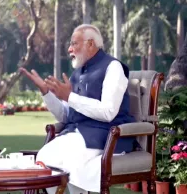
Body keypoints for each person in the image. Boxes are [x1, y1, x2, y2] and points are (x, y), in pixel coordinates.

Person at [20, 24, 137, 194]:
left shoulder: (113, 68)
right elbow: (66, 115)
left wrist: (69, 97)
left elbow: (108, 112)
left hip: (105, 135)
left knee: (73, 162)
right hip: (77, 134)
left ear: (90, 44)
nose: (69, 49)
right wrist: (46, 93)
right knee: (44, 156)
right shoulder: (78, 72)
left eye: (74, 43)